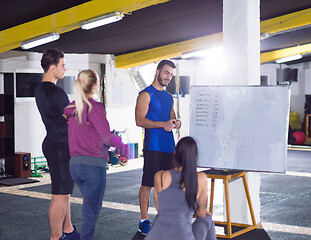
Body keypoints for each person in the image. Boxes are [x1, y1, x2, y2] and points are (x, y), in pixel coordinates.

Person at [63, 69, 129, 240]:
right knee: (91, 212)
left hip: (75, 166)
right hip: (93, 167)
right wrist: (124, 148)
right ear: (93, 86)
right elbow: (106, 137)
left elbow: (71, 118)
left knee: (89, 209)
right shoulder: (95, 107)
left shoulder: (72, 108)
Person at [35, 49, 79, 240]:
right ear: (52, 68)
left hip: (53, 142)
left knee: (64, 192)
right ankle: (56, 237)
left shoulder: (39, 89)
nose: (65, 69)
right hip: (61, 145)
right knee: (60, 195)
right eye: (62, 65)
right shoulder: (57, 92)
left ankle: (67, 229)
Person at [135, 59, 181, 235]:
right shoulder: (146, 94)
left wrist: (176, 122)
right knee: (148, 184)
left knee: (167, 184)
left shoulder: (169, 97)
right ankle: (144, 220)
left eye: (170, 74)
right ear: (158, 72)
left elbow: (171, 116)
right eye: (166, 73)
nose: (168, 77)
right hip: (153, 146)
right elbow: (140, 120)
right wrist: (163, 124)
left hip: (169, 146)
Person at [145, 137, 216, 240]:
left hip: (155, 236)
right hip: (182, 236)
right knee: (207, 218)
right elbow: (201, 213)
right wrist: (190, 211)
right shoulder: (200, 178)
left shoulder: (159, 176)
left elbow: (160, 208)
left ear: (175, 153)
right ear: (194, 156)